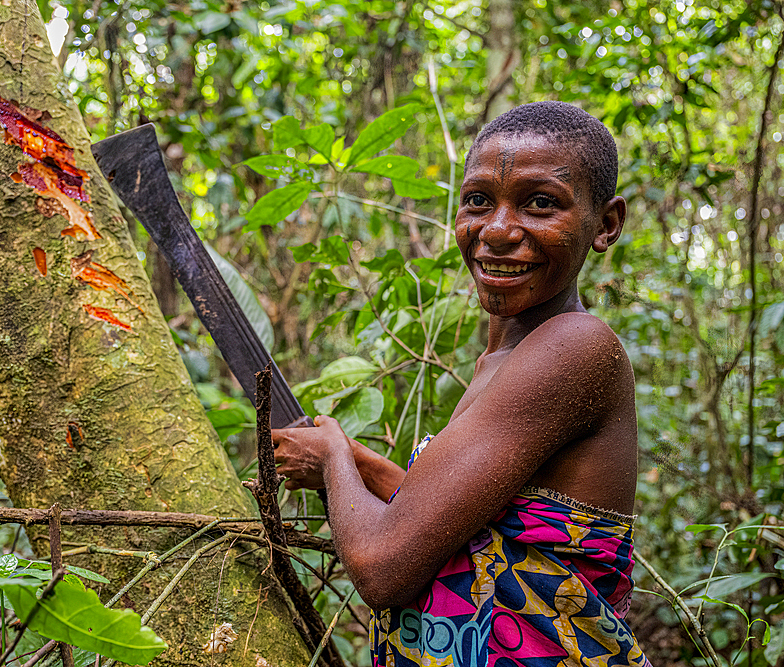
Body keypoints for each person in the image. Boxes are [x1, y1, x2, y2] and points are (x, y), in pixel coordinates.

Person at [273, 101, 651, 667]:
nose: (496, 231)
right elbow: (449, 523)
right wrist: (352, 459)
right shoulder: (499, 361)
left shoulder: (575, 345)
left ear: (607, 223)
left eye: (540, 203)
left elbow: (383, 566)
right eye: (478, 200)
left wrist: (331, 459)